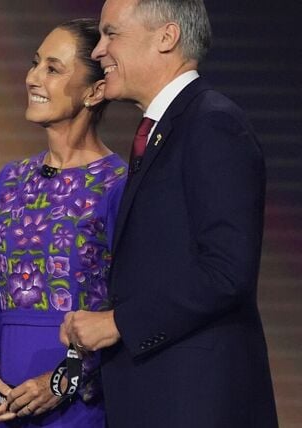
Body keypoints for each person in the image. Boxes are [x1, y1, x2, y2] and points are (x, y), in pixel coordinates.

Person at [58, 0, 277, 426]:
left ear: (167, 37)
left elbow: (226, 270)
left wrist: (119, 323)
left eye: (111, 33)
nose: (99, 50)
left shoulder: (213, 124)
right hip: (160, 395)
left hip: (197, 401)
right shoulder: (164, 129)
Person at [0, 18, 124, 428]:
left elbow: (129, 313)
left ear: (95, 91)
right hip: (8, 405)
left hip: (83, 408)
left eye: (53, 69)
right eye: (35, 63)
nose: (33, 77)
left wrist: (63, 380)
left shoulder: (118, 185)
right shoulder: (11, 180)